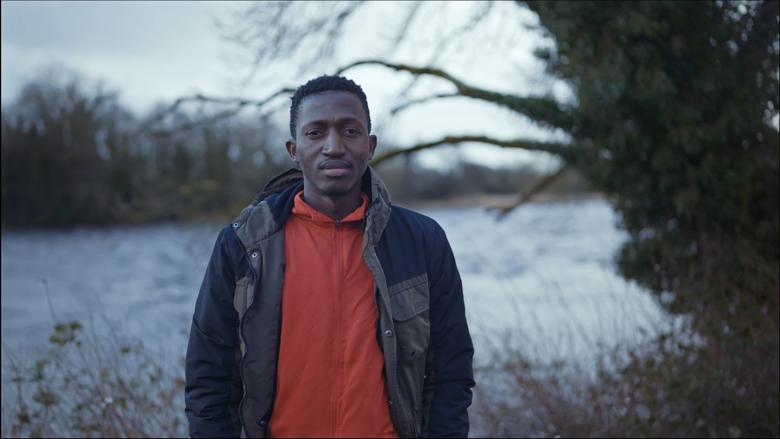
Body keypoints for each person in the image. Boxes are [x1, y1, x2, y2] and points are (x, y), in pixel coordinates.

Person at [185, 75, 474, 438]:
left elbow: (451, 373)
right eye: (316, 132)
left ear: (370, 146)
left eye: (350, 132)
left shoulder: (422, 241)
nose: (334, 146)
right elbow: (208, 376)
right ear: (294, 149)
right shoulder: (243, 244)